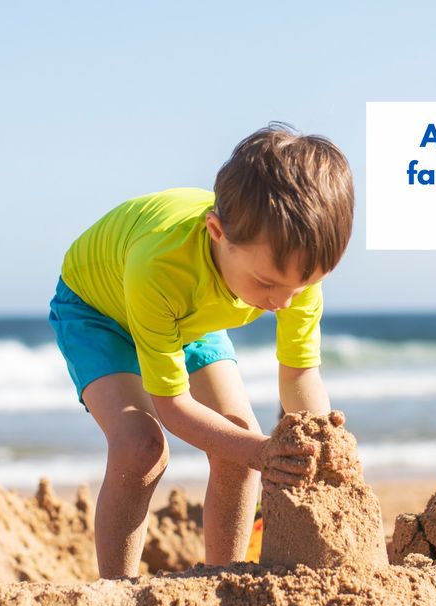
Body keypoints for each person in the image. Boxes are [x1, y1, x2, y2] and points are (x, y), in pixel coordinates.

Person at [49, 123, 353, 578]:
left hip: (191, 316)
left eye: (302, 285)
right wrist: (260, 451)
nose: (281, 303)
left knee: (239, 435)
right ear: (216, 232)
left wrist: (320, 442)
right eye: (267, 284)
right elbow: (173, 408)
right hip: (98, 310)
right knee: (141, 449)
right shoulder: (160, 265)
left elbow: (299, 376)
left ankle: (223, 581)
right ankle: (118, 592)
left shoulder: (293, 270)